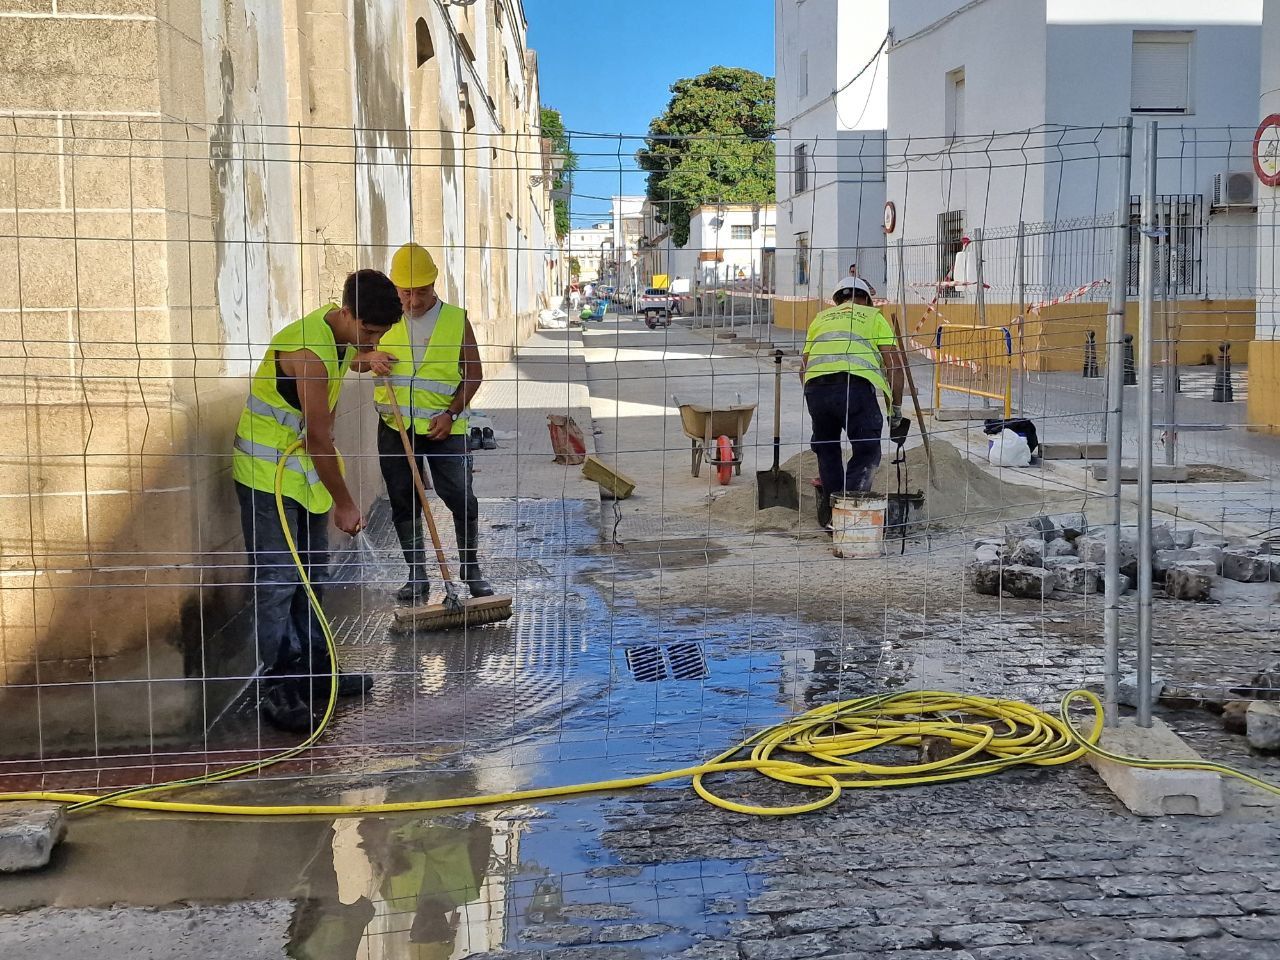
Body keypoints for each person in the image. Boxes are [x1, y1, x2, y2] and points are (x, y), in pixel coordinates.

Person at [233, 269, 403, 732]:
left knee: (312, 575)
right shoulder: (307, 353)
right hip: (267, 477)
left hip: (301, 480)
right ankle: (280, 686)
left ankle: (316, 672)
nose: (373, 338)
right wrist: (347, 503)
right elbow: (318, 440)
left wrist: (369, 358)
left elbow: (350, 357)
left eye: (382, 331)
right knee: (277, 581)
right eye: (369, 330)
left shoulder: (338, 332)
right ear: (347, 311)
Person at [374, 242, 493, 606]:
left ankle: (470, 568)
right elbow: (352, 360)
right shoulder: (381, 319)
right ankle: (417, 575)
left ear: (434, 284)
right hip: (395, 427)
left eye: (421, 292)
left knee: (460, 497)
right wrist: (370, 358)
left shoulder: (455, 319)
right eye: (405, 293)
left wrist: (452, 413)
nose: (413, 301)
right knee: (403, 500)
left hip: (445, 428)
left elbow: (474, 375)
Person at [800, 276, 905, 529]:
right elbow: (895, 366)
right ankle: (852, 517)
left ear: (837, 301)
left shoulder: (820, 319)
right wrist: (895, 409)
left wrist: (818, 396)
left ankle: (832, 515)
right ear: (867, 299)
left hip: (816, 389)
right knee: (867, 450)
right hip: (855, 388)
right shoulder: (873, 317)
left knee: (827, 450)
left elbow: (803, 367)